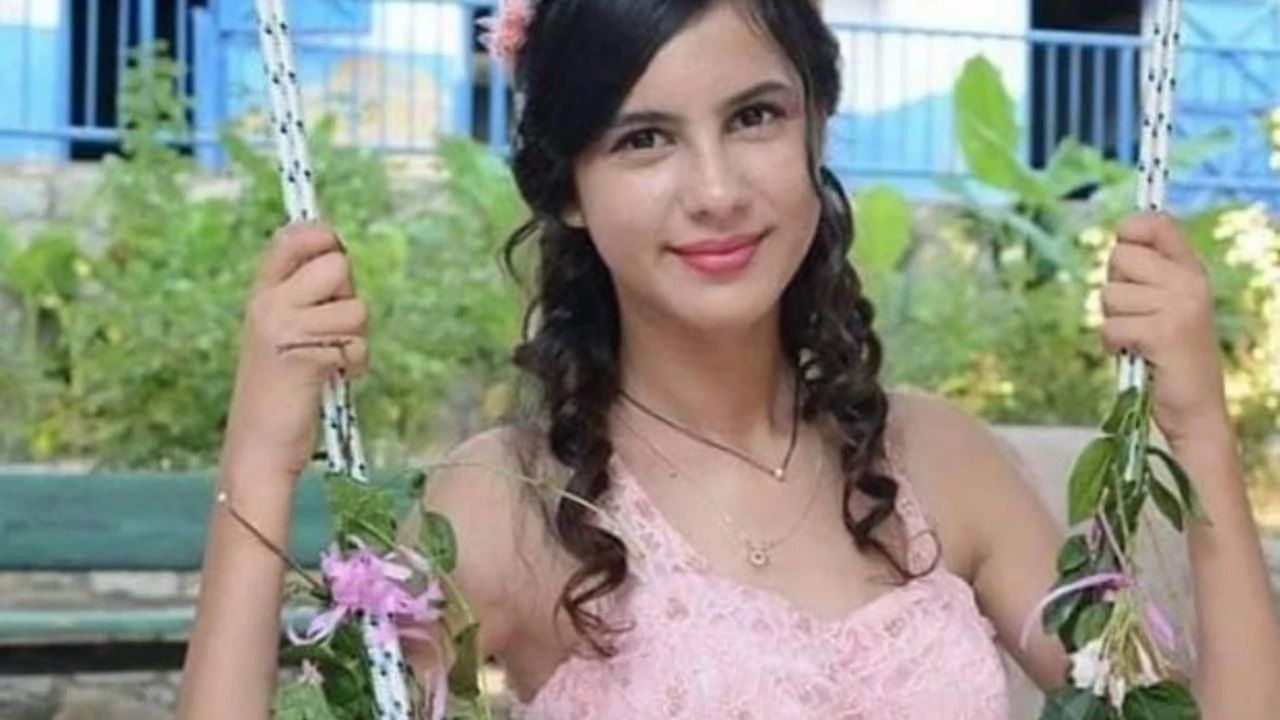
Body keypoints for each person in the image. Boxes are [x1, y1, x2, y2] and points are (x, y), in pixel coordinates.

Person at [176, 1, 1280, 717]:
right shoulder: (510, 507)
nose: (715, 190)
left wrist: (1195, 432)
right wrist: (260, 463)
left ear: (814, 129)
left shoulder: (941, 465)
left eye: (753, 117)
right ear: (569, 186)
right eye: (644, 138)